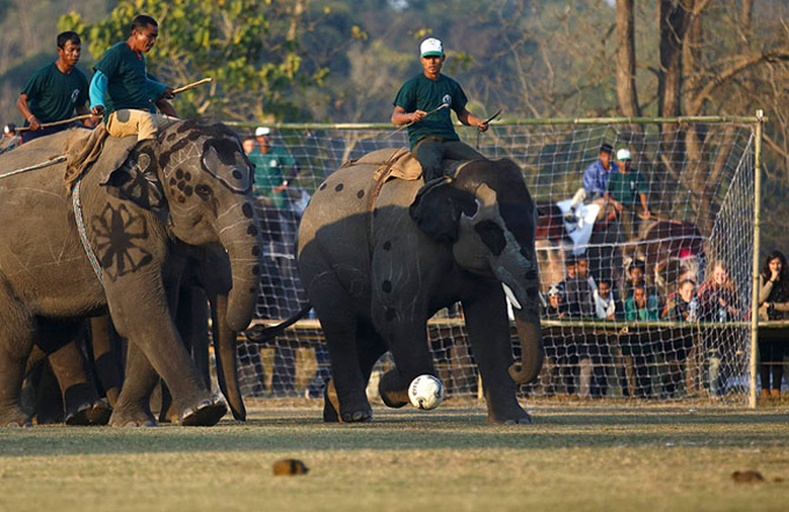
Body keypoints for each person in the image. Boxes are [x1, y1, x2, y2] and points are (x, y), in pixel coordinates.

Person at [391, 37, 489, 181]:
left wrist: (477, 122)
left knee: (483, 165)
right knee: (431, 165)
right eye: (427, 57)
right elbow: (396, 117)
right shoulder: (412, 85)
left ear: (443, 58)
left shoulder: (451, 85)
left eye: (435, 57)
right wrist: (411, 116)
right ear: (422, 60)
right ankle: (429, 200)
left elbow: (462, 114)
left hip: (450, 140)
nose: (432, 61)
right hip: (424, 141)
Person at [89, 14, 175, 141]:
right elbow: (98, 80)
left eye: (155, 37)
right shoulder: (117, 53)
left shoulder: (140, 58)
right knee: (146, 119)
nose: (153, 42)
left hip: (142, 113)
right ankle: (146, 159)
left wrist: (162, 89)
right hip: (119, 117)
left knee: (175, 124)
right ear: (135, 33)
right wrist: (97, 103)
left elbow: (141, 82)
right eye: (150, 36)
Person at [16, 31, 91, 144]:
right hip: (39, 128)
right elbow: (21, 101)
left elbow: (81, 108)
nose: (76, 54)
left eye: (78, 50)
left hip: (63, 129)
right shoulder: (44, 74)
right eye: (71, 50)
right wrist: (31, 119)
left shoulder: (80, 78)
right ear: (60, 51)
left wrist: (93, 129)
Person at [697, 259, 740, 396]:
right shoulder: (707, 288)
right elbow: (700, 308)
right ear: (712, 274)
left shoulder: (732, 289)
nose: (720, 277)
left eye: (723, 273)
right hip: (711, 333)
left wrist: (726, 306)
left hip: (728, 333)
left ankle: (722, 392)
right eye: (717, 274)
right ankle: (714, 394)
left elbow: (739, 311)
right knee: (714, 362)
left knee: (726, 363)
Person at [757, 250, 789, 398]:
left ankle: (776, 390)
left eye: (778, 263)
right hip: (764, 322)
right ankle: (764, 390)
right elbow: (759, 299)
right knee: (764, 357)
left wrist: (773, 306)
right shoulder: (762, 278)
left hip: (781, 322)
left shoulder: (786, 281)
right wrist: (771, 281)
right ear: (768, 265)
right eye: (772, 264)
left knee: (777, 357)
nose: (776, 267)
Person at [660, 278, 698, 398]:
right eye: (686, 291)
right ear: (680, 291)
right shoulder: (673, 302)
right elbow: (669, 317)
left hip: (686, 341)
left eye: (692, 291)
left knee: (680, 368)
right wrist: (683, 318)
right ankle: (666, 391)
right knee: (674, 367)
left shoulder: (696, 303)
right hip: (669, 340)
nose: (689, 294)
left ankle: (670, 392)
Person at [566, 143, 619, 222]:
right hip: (594, 196)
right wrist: (603, 193)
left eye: (609, 156)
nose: (607, 159)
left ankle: (590, 221)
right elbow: (590, 187)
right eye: (604, 156)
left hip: (610, 199)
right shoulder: (593, 169)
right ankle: (572, 210)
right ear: (600, 156)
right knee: (581, 191)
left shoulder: (616, 170)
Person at [605, 148, 650, 241]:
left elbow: (642, 193)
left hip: (636, 205)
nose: (625, 163)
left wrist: (645, 208)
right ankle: (632, 242)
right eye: (622, 161)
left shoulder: (636, 175)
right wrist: (614, 203)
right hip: (622, 206)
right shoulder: (614, 176)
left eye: (627, 161)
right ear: (618, 162)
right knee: (628, 220)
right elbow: (607, 195)